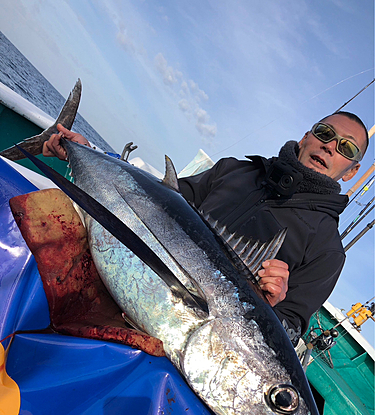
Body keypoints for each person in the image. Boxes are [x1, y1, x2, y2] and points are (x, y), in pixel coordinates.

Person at [43, 111, 369, 346]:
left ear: (351, 172)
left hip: (168, 332)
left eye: (346, 148)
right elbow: (156, 198)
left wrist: (275, 305)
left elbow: (290, 330)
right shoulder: (235, 169)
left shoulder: (327, 250)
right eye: (325, 133)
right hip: (113, 271)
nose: (330, 146)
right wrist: (89, 151)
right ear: (306, 138)